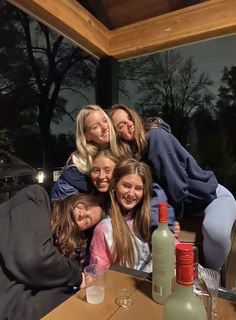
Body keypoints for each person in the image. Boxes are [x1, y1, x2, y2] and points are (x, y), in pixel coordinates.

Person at [109, 104, 236, 271]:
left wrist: (174, 219)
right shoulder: (136, 155)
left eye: (129, 118)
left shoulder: (155, 137)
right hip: (191, 205)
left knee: (215, 231)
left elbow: (176, 186)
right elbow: (157, 191)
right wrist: (166, 222)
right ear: (118, 135)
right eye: (121, 125)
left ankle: (213, 279)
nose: (129, 124)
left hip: (212, 196)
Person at [0, 184, 104, 320]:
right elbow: (32, 259)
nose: (82, 214)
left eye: (87, 221)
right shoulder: (36, 199)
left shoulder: (62, 253)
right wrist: (77, 277)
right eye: (83, 206)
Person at [90, 149, 180, 236]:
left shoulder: (149, 194)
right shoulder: (91, 196)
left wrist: (165, 227)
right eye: (96, 170)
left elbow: (157, 204)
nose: (101, 176)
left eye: (108, 170)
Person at [51, 104, 130, 201]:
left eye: (105, 121)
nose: (105, 127)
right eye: (95, 126)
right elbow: (66, 210)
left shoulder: (125, 151)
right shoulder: (76, 170)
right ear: (87, 136)